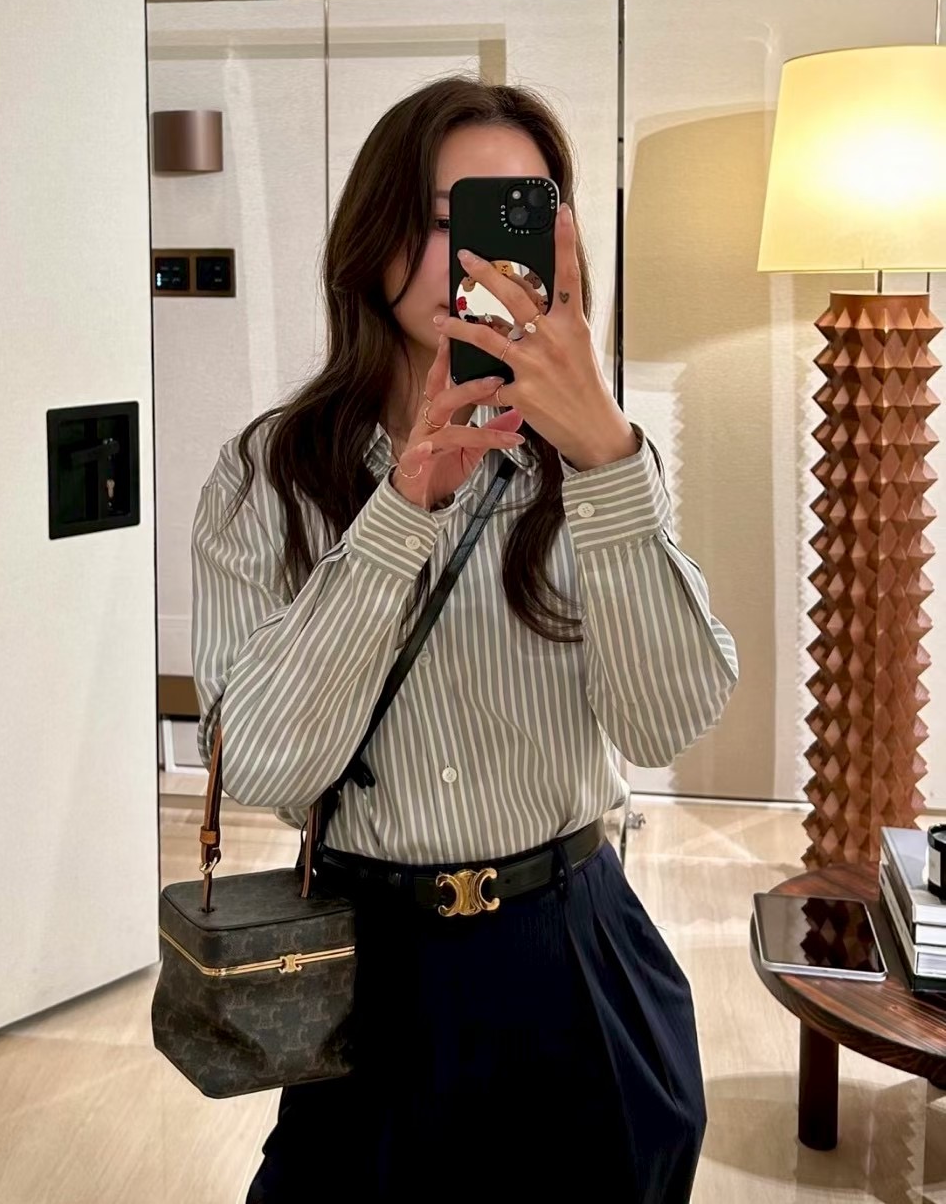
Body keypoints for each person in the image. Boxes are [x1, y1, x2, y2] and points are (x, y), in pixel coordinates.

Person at [191, 76, 739, 1203]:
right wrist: (402, 510)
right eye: (458, 217)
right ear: (377, 239)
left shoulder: (594, 463)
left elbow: (666, 720)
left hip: (573, 949)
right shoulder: (267, 475)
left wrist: (606, 464)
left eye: (526, 214)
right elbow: (264, 767)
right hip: (370, 962)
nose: (493, 254)